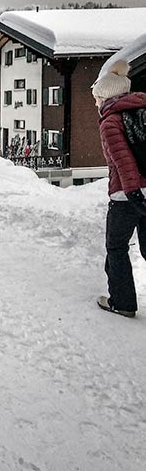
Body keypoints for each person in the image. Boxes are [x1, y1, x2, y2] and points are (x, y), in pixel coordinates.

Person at [92, 59, 146, 318]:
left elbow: (122, 159)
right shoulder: (142, 111)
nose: (96, 103)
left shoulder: (111, 121)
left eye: (97, 98)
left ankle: (122, 302)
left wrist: (134, 193)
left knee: (116, 247)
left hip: (126, 195)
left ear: (107, 96)